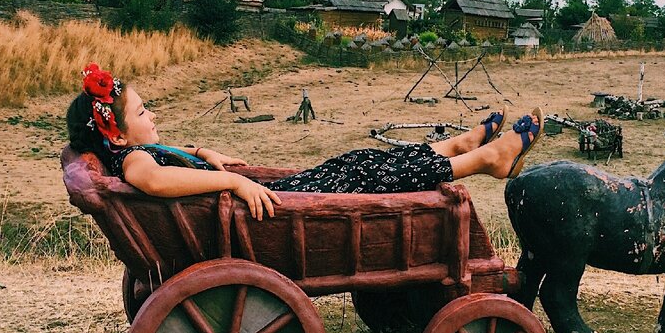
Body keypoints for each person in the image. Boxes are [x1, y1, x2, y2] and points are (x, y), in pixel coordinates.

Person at [66, 63, 543, 219]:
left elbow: (173, 161)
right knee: (369, 175)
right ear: (116, 131)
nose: (154, 116)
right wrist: (231, 181)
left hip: (261, 205)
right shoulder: (134, 164)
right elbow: (153, 180)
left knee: (359, 160)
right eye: (144, 112)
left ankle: (457, 147)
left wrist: (206, 155)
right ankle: (485, 160)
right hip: (262, 215)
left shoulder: (132, 152)